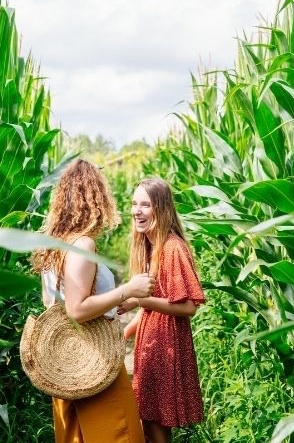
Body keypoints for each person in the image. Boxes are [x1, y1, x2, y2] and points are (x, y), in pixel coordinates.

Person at [31, 159, 155, 442]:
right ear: (95, 199)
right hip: (95, 360)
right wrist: (128, 290)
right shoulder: (82, 244)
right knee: (121, 434)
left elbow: (51, 303)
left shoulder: (53, 244)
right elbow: (76, 309)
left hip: (64, 363)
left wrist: (109, 300)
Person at [117, 177, 205, 443]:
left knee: (155, 428)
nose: (137, 211)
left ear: (162, 208)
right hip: (151, 345)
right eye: (134, 204)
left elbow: (188, 307)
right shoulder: (152, 247)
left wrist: (140, 300)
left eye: (145, 205)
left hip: (166, 348)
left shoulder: (172, 247)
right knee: (148, 423)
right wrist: (123, 335)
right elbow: (153, 306)